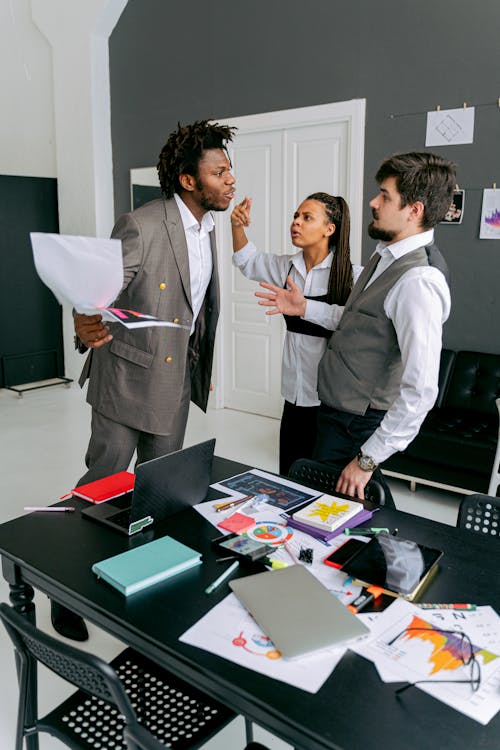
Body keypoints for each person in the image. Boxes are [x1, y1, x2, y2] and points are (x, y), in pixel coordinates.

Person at [52, 120, 236, 641]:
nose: (230, 179)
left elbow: (197, 307)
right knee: (101, 487)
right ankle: (64, 590)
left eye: (229, 170)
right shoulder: (142, 223)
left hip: (175, 386)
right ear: (187, 180)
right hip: (128, 380)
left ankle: (140, 585)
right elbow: (98, 290)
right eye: (219, 171)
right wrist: (84, 320)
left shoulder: (208, 228)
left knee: (158, 495)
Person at [309, 152, 455, 506]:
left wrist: (366, 460)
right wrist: (305, 307)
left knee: (343, 524)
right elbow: (358, 322)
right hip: (337, 417)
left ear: (414, 210)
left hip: (356, 429)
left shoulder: (418, 281)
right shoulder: (385, 255)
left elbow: (420, 390)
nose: (373, 202)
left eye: (385, 196)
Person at [231, 192, 361, 475]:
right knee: (290, 478)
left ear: (330, 229)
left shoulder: (353, 275)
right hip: (294, 395)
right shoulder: (285, 267)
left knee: (325, 484)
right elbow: (247, 261)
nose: (296, 223)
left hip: (331, 403)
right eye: (295, 216)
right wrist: (237, 227)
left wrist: (305, 308)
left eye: (307, 217)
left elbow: (355, 324)